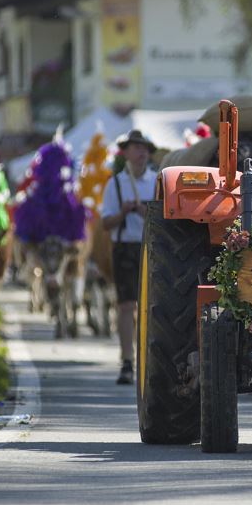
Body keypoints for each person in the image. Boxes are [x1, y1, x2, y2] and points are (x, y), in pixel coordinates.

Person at [100, 129, 158, 385]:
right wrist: (124, 213)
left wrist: (146, 213)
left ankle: (151, 360)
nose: (141, 152)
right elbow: (106, 224)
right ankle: (126, 360)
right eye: (136, 147)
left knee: (153, 308)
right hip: (124, 247)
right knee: (126, 305)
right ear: (126, 153)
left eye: (144, 147)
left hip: (151, 248)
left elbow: (163, 221)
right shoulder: (115, 184)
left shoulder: (157, 181)